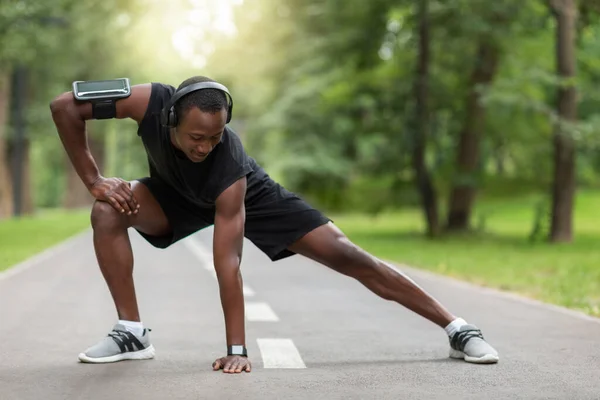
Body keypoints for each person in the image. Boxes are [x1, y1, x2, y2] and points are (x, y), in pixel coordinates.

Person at [50, 75, 499, 373]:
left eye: (214, 136)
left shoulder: (226, 168)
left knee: (347, 254)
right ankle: (131, 332)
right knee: (107, 210)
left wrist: (237, 352)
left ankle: (459, 329)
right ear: (171, 120)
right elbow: (64, 106)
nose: (204, 146)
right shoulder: (147, 101)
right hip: (172, 194)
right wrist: (94, 180)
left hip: (249, 195)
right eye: (195, 137)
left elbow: (227, 263)